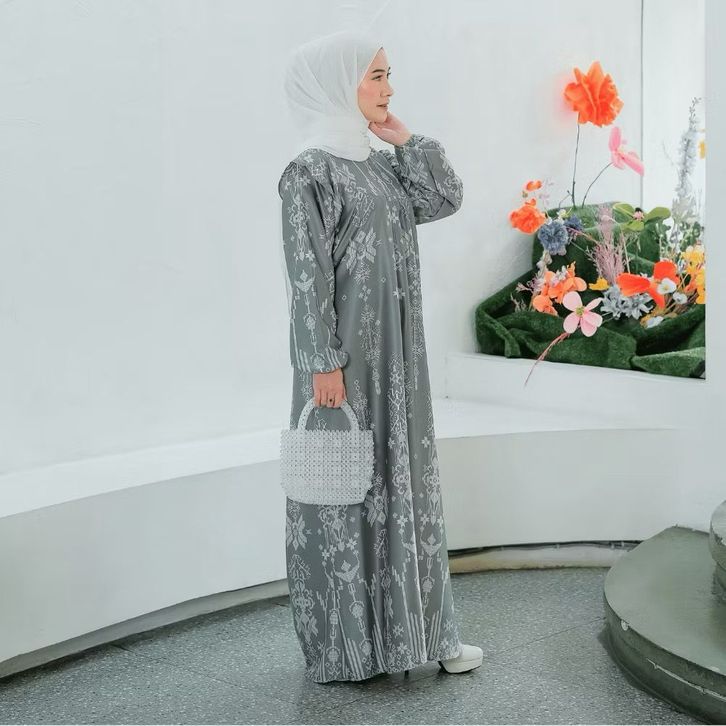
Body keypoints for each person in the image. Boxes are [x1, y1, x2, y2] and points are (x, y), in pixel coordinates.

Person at [278, 29, 483, 683]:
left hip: (399, 359)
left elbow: (443, 198)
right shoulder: (309, 171)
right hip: (346, 364)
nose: (389, 88)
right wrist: (321, 361)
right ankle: (350, 649)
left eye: (389, 75)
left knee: (404, 485)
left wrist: (405, 139)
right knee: (346, 491)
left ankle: (421, 636)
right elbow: (305, 273)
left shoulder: (378, 162)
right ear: (339, 82)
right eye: (377, 76)